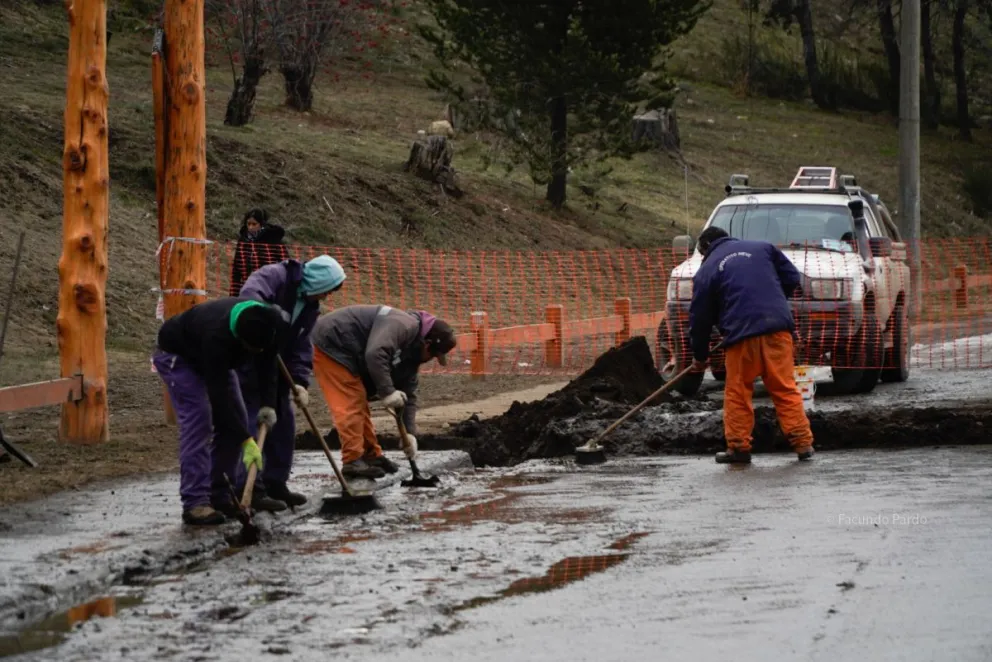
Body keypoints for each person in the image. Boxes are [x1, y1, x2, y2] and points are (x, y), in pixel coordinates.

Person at [154, 298, 288, 525]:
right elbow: (219, 399)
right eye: (250, 349)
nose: (255, 353)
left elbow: (267, 367)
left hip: (218, 360)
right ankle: (195, 503)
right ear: (240, 338)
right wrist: (246, 440)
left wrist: (268, 405)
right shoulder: (217, 336)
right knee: (200, 422)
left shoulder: (271, 323)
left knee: (238, 417)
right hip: (179, 357)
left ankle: (220, 495)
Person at [688, 226, 815, 464]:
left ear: (705, 248)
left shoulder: (706, 270)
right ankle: (803, 444)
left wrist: (700, 356)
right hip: (777, 330)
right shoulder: (763, 248)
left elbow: (700, 318)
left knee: (738, 391)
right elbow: (791, 278)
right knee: (784, 388)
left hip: (741, 336)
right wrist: (770, 299)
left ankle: (738, 448)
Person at [237, 255, 347, 511]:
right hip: (249, 359)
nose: (325, 298)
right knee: (252, 422)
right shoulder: (274, 276)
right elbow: (249, 299)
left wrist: (299, 382)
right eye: (326, 291)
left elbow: (300, 345)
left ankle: (276, 484)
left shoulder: (310, 308)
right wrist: (268, 326)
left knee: (284, 423)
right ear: (317, 282)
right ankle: (251, 488)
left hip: (279, 368)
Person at [309, 305, 457, 478]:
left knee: (358, 400)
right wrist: (387, 391)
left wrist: (409, 434)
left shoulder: (413, 351)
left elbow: (408, 395)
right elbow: (375, 353)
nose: (430, 360)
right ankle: (352, 461)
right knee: (351, 402)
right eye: (433, 355)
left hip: (350, 351)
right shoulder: (403, 325)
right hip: (332, 342)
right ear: (427, 344)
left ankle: (372, 455)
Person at [228, 208, 290, 296]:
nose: (250, 227)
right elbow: (237, 270)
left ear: (261, 224)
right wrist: (233, 295)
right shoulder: (243, 241)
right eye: (248, 224)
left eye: (254, 224)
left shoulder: (273, 239)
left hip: (269, 287)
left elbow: (285, 264)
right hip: (247, 286)